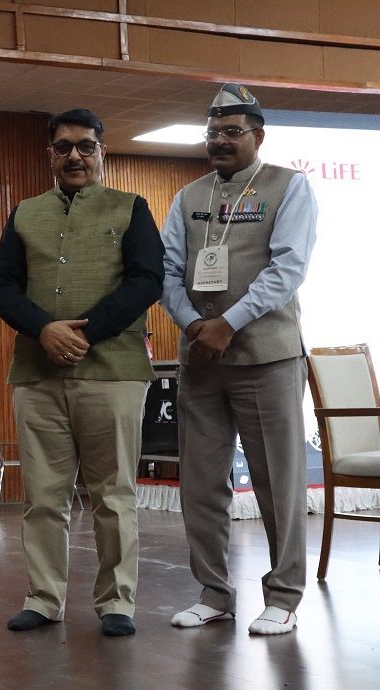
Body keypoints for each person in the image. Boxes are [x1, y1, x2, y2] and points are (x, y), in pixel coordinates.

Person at [0, 108, 164, 637]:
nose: (75, 156)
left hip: (113, 372)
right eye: (64, 147)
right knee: (43, 496)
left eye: (85, 147)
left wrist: (85, 334)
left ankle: (118, 603)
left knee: (112, 493)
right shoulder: (24, 213)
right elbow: (3, 286)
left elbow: (146, 280)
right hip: (37, 375)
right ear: (50, 155)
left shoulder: (132, 209)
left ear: (101, 153)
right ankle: (44, 598)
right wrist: (44, 329)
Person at [161, 83, 318, 635]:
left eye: (232, 132)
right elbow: (168, 271)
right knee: (201, 483)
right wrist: (194, 325)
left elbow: (287, 269)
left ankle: (284, 596)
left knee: (278, 482)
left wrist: (229, 323)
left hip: (266, 357)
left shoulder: (289, 186)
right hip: (201, 359)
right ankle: (213, 592)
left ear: (258, 135)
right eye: (212, 133)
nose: (219, 141)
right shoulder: (189, 195)